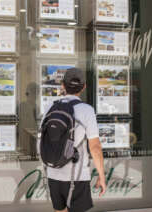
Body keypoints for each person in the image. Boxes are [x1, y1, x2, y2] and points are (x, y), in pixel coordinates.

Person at [42, 68, 106, 212]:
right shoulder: (86, 110)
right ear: (84, 87)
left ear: (63, 85)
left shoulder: (50, 107)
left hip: (53, 173)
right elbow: (95, 147)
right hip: (77, 176)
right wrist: (102, 176)